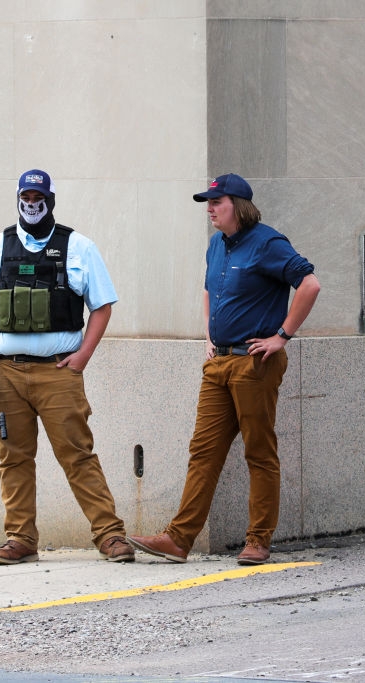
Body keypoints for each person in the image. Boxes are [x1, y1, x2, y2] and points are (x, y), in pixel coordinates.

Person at [128, 173, 321, 565]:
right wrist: (207, 333)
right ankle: (179, 539)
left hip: (255, 363)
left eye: (217, 202)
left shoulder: (268, 242)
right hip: (218, 364)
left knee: (259, 452)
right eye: (208, 203)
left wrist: (282, 336)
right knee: (203, 452)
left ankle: (258, 540)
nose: (210, 209)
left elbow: (310, 285)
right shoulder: (216, 244)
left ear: (239, 205)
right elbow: (207, 289)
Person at [0, 169, 134, 564]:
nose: (32, 204)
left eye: (39, 197)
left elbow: (102, 305)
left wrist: (84, 355)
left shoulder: (78, 246)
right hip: (5, 372)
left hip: (58, 372)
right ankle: (20, 539)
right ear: (18, 198)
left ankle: (110, 535)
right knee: (13, 458)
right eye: (26, 197)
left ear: (50, 200)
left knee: (77, 454)